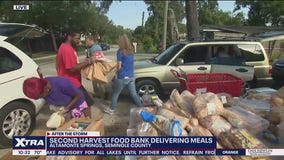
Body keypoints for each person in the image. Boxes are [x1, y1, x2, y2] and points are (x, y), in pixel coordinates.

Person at [104, 34, 143, 115]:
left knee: (116, 93)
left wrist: (116, 72)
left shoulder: (120, 52)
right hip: (131, 76)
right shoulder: (131, 50)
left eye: (118, 40)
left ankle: (111, 109)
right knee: (134, 94)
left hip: (123, 77)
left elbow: (119, 66)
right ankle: (141, 108)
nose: (117, 41)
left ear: (120, 41)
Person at [56, 29, 94, 107]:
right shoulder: (67, 49)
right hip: (72, 83)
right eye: (77, 38)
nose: (78, 41)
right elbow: (72, 68)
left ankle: (77, 118)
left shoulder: (65, 47)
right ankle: (86, 119)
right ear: (69, 37)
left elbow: (58, 65)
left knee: (77, 106)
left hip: (70, 82)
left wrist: (84, 64)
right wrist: (89, 61)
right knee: (86, 104)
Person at [23, 76, 91, 118]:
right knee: (72, 127)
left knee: (81, 125)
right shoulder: (42, 88)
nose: (40, 98)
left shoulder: (62, 83)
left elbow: (78, 95)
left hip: (77, 102)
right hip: (66, 106)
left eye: (40, 96)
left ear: (46, 88)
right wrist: (57, 107)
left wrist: (66, 108)